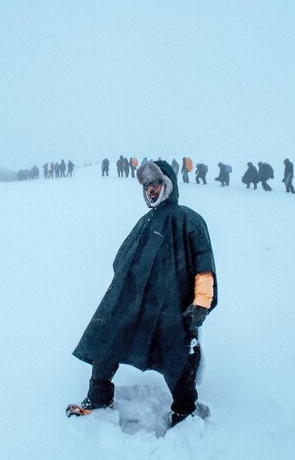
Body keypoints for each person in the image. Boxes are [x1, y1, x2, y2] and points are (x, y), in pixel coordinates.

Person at [66, 160, 217, 428]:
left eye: (156, 183)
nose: (151, 190)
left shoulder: (187, 219)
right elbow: (122, 259)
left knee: (177, 358)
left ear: (168, 185)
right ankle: (98, 398)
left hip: (172, 307)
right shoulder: (145, 221)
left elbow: (204, 266)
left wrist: (201, 303)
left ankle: (184, 412)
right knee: (106, 340)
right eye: (147, 186)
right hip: (133, 303)